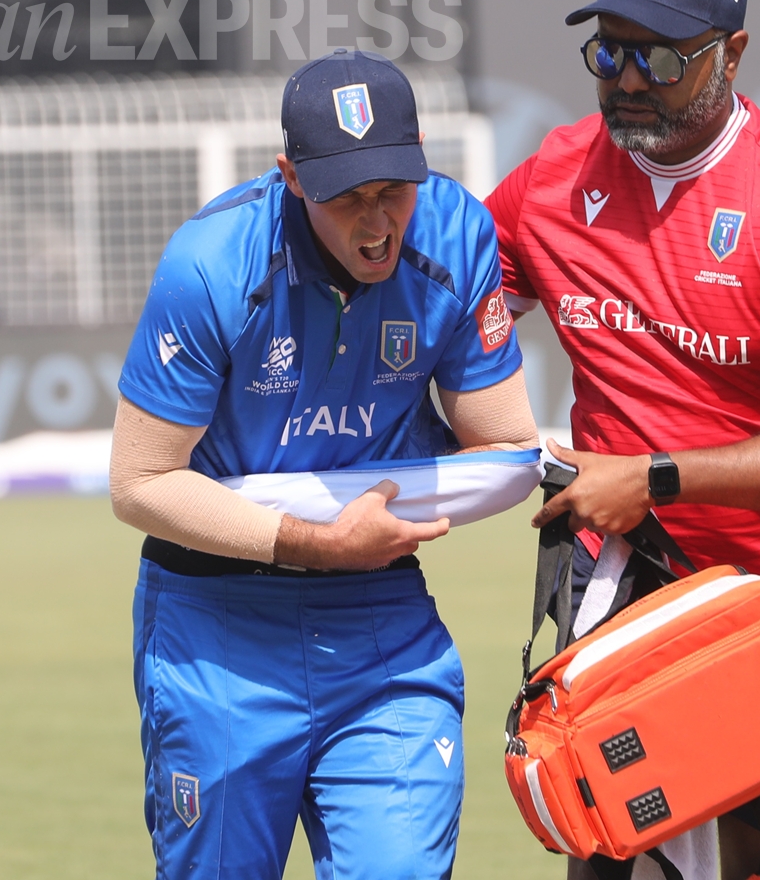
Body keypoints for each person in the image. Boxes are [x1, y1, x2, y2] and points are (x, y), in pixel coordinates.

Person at [485, 0, 760, 880]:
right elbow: (453, 321)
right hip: (629, 581)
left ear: (732, 54)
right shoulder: (552, 178)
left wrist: (652, 477)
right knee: (612, 849)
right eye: (609, 51)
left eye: (661, 57)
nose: (628, 79)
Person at [109, 48, 541, 880]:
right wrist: (316, 539)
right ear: (292, 177)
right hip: (214, 619)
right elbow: (140, 481)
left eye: (395, 189)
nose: (378, 224)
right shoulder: (211, 262)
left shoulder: (456, 234)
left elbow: (503, 439)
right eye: (349, 197)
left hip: (382, 616)